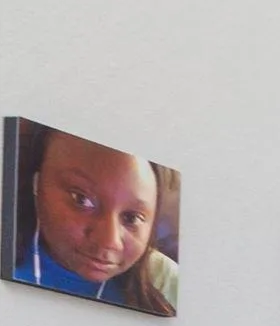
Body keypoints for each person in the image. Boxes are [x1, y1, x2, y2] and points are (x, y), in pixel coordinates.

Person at [10, 127, 180, 315]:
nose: (109, 241)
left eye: (132, 218)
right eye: (82, 200)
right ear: (37, 183)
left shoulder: (166, 283)